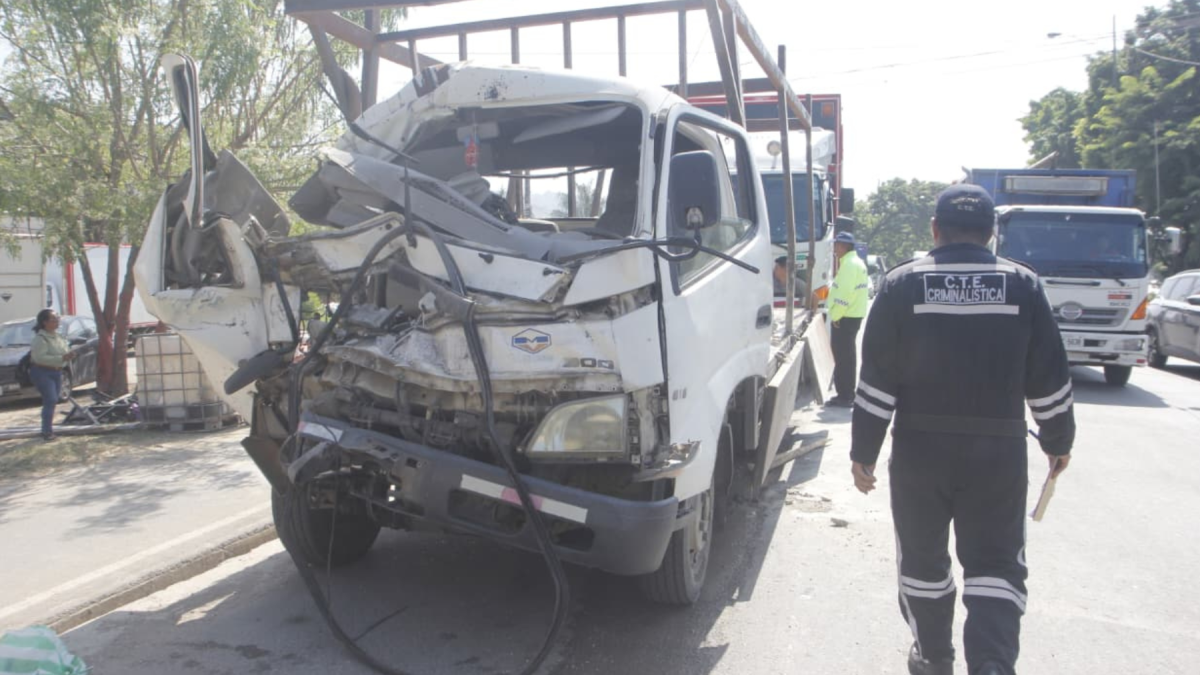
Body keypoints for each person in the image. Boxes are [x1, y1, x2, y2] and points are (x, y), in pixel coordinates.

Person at [849, 184, 1076, 675]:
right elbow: (1049, 378)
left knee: (924, 561)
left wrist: (863, 450)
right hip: (998, 454)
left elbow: (876, 379)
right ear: (993, 234)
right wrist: (1059, 442)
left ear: (935, 229)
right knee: (996, 564)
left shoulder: (901, 283)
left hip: (919, 452)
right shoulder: (1023, 284)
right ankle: (992, 665)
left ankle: (933, 656)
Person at [826, 231, 869, 407]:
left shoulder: (849, 265)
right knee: (847, 356)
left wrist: (836, 315)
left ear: (844, 246)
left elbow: (844, 294)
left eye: (836, 245)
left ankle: (845, 395)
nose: (835, 249)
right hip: (852, 315)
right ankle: (847, 393)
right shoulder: (855, 262)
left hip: (845, 316)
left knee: (843, 357)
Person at [29, 309, 77, 441]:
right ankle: (46, 431)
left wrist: (70, 355)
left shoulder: (58, 336)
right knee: (50, 399)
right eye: (53, 320)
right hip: (42, 372)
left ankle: (48, 428)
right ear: (44, 322)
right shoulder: (41, 338)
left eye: (58, 319)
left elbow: (65, 350)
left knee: (55, 399)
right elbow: (39, 358)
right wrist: (61, 357)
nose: (57, 322)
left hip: (57, 372)